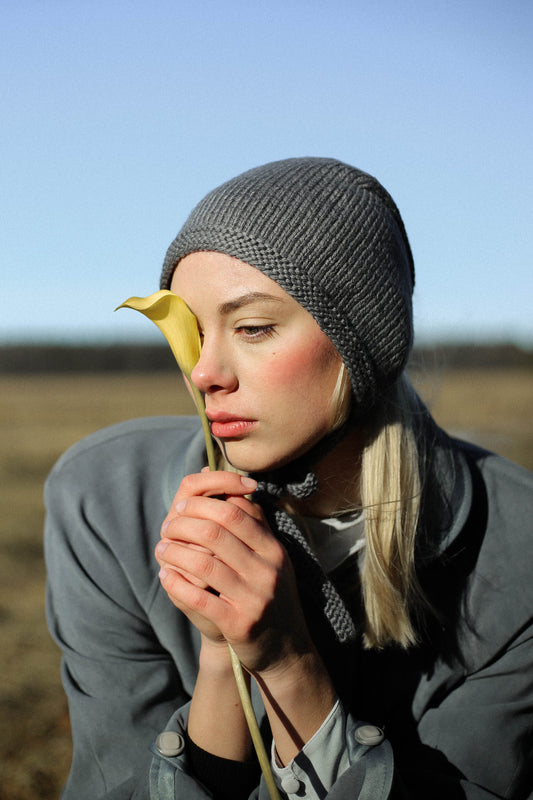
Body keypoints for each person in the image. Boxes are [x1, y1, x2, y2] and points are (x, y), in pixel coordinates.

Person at [44, 157, 533, 800]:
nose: (204, 373)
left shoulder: (517, 546)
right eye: (192, 333)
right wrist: (222, 660)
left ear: (361, 341)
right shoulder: (101, 499)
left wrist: (287, 662)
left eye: (252, 328)